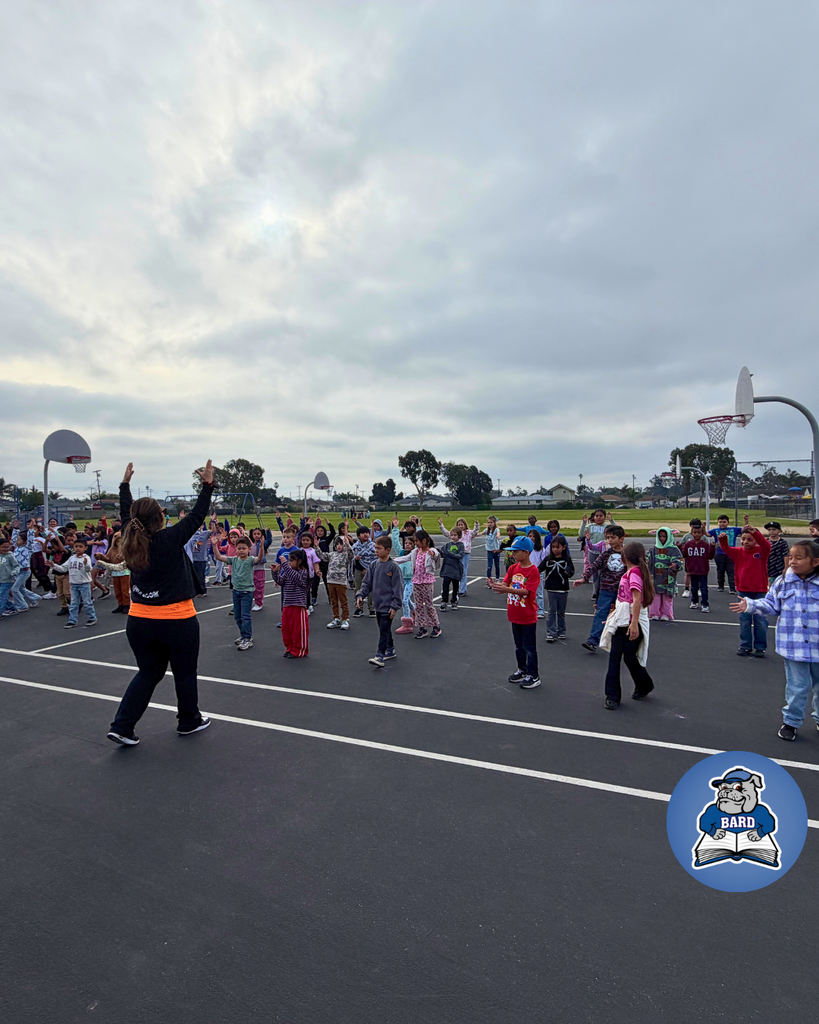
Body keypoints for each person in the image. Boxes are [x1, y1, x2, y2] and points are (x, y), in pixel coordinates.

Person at [106, 461, 213, 746]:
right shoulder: (169, 539)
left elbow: (127, 514)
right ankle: (189, 720)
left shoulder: (131, 538)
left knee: (149, 672)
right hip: (176, 620)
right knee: (185, 672)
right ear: (159, 519)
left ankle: (122, 726)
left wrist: (124, 486)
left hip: (139, 621)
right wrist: (207, 485)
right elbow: (197, 516)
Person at [730, 540, 819, 741]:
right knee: (797, 686)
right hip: (794, 646)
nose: (793, 562)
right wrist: (750, 605)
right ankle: (791, 722)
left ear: (815, 561)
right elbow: (770, 605)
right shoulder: (783, 582)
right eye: (791, 557)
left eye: (799, 558)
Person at [599, 541, 655, 710]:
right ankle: (642, 685)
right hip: (623, 620)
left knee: (621, 657)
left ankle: (614, 696)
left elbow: (637, 600)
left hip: (629, 622)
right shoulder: (632, 572)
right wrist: (613, 617)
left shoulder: (634, 574)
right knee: (625, 656)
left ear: (625, 557)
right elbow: (624, 599)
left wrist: (634, 623)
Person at [486, 536, 541, 689]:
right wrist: (495, 586)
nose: (513, 554)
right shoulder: (512, 568)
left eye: (516, 552)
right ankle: (522, 670)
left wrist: (507, 589)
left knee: (530, 647)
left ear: (526, 552)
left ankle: (533, 675)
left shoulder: (533, 571)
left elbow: (526, 592)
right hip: (514, 614)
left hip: (527, 616)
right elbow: (504, 584)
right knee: (519, 646)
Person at [719, 515, 772, 657]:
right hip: (743, 591)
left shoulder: (761, 551)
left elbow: (767, 545)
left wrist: (755, 532)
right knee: (744, 620)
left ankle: (760, 647)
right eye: (743, 539)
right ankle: (745, 646)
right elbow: (727, 549)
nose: (745, 542)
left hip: (759, 591)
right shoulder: (738, 552)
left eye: (750, 539)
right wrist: (723, 539)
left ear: (755, 541)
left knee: (760, 620)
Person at [573, 525, 627, 653]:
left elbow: (636, 568)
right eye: (608, 538)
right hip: (606, 589)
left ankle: (624, 642)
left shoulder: (627, 555)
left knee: (623, 617)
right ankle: (593, 641)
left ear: (621, 539)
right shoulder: (606, 554)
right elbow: (594, 566)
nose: (610, 540)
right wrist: (584, 578)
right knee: (600, 614)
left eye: (613, 537)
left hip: (623, 592)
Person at [356, 534, 404, 667]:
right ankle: (390, 649)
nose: (376, 551)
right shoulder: (373, 565)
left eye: (379, 548)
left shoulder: (393, 567)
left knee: (384, 629)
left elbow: (397, 588)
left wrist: (394, 606)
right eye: (375, 548)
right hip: (378, 605)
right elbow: (367, 584)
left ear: (388, 550)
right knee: (384, 629)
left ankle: (380, 655)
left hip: (388, 606)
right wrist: (360, 595)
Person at [212, 535, 265, 649]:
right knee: (237, 616)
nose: (241, 550)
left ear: (249, 549)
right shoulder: (234, 560)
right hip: (236, 591)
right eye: (239, 548)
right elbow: (219, 557)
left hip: (247, 592)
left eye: (243, 548)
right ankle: (243, 635)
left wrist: (261, 548)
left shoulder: (250, 560)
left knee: (245, 616)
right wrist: (214, 545)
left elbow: (259, 559)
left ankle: (247, 637)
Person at [394, 529, 442, 639]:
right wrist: (392, 560)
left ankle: (436, 626)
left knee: (429, 605)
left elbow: (436, 553)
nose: (416, 543)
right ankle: (422, 628)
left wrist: (433, 553)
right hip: (416, 582)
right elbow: (405, 558)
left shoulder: (430, 551)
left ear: (424, 541)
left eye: (417, 541)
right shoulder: (415, 552)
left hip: (427, 582)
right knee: (419, 606)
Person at [271, 548, 310, 658]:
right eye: (288, 560)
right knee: (286, 629)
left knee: (298, 630)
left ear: (299, 561)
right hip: (287, 604)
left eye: (291, 561)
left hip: (298, 606)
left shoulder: (303, 573)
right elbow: (281, 581)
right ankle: (290, 647)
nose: (289, 563)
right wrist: (274, 573)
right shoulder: (289, 572)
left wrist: (284, 565)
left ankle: (299, 649)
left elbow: (296, 578)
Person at [52, 536, 97, 629]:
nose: (78, 548)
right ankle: (73, 620)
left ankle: (92, 618)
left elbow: (89, 569)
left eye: (80, 546)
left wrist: (85, 564)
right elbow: (63, 568)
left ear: (85, 548)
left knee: (87, 602)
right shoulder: (71, 558)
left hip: (84, 584)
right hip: (74, 584)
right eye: (76, 546)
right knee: (73, 603)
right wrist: (53, 565)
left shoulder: (86, 558)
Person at [539, 535, 574, 641]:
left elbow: (572, 570)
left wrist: (568, 572)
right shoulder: (548, 559)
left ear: (563, 547)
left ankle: (561, 631)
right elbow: (539, 568)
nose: (555, 549)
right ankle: (551, 632)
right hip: (551, 589)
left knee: (561, 611)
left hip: (563, 589)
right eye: (553, 547)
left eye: (557, 547)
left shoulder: (566, 559)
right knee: (551, 611)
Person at [578, 510, 616, 600]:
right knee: (594, 572)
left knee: (604, 573)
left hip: (604, 553)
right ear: (594, 517)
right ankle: (595, 592)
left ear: (604, 517)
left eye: (601, 516)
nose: (598, 517)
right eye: (597, 516)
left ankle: (603, 591)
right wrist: (583, 523)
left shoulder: (607, 526)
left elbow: (617, 531)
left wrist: (612, 521)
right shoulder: (590, 526)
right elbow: (581, 534)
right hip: (593, 552)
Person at [438, 517, 480, 596]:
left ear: (465, 525)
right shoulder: (455, 534)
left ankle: (462, 590)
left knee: (463, 571)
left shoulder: (469, 533)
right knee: (456, 571)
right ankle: (460, 589)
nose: (460, 526)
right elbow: (447, 533)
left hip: (465, 554)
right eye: (459, 525)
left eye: (462, 524)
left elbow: (475, 531)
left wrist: (476, 525)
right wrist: (441, 525)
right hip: (455, 555)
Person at [679, 519, 714, 612]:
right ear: (692, 533)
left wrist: (713, 548)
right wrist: (679, 547)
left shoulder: (705, 544)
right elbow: (683, 555)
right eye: (695, 532)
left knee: (703, 588)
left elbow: (710, 556)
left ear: (702, 534)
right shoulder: (688, 544)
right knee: (693, 587)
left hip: (703, 570)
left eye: (699, 532)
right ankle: (694, 602)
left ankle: (705, 604)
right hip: (692, 569)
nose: (697, 534)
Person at [647, 528, 682, 621]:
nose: (662, 539)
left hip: (668, 577)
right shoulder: (653, 549)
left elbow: (679, 560)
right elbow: (647, 559)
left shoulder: (674, 549)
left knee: (667, 596)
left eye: (664, 536)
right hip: (656, 576)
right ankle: (654, 613)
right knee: (655, 595)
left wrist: (675, 564)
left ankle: (666, 614)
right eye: (660, 536)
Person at [321, 534, 354, 629]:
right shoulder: (332, 555)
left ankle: (345, 618)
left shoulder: (346, 555)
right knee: (333, 601)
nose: (339, 546)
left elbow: (351, 555)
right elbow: (322, 556)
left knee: (343, 601)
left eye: (341, 544)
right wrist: (316, 546)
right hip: (331, 581)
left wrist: (348, 545)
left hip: (341, 582)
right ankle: (336, 617)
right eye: (337, 544)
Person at [95, 532, 131, 614]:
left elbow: (129, 558)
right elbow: (108, 559)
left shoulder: (126, 549)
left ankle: (126, 604)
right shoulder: (112, 549)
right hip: (115, 572)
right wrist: (101, 557)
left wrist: (123, 557)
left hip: (124, 572)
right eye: (117, 541)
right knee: (117, 590)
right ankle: (120, 604)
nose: (119, 543)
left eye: (121, 541)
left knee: (124, 590)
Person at [708, 514, 742, 593]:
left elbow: (744, 530)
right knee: (720, 570)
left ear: (728, 522)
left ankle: (732, 587)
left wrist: (746, 520)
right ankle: (720, 586)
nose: (722, 523)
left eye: (724, 522)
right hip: (719, 553)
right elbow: (707, 534)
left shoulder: (733, 530)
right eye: (720, 522)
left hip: (730, 553)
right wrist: (703, 527)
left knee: (731, 571)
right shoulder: (716, 531)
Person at [392, 523, 416, 634]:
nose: (407, 545)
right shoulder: (401, 553)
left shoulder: (415, 554)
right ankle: (415, 611)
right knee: (407, 599)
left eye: (410, 544)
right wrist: (395, 528)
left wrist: (419, 526)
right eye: (406, 543)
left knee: (404, 600)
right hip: (402, 580)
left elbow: (418, 540)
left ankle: (407, 624)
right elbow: (395, 542)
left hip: (411, 580)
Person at [352, 525, 377, 617]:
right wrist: (356, 558)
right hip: (358, 569)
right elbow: (351, 558)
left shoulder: (373, 546)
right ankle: (359, 608)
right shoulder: (355, 546)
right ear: (358, 536)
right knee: (358, 589)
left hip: (370, 570)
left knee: (371, 589)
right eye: (363, 533)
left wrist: (367, 569)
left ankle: (372, 608)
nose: (365, 535)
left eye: (367, 533)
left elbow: (375, 558)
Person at [438, 527, 465, 611]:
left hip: (456, 569)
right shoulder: (447, 545)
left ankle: (454, 601)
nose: (453, 537)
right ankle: (444, 601)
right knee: (445, 584)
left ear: (459, 536)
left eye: (455, 535)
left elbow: (460, 556)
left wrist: (449, 554)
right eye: (452, 535)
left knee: (455, 586)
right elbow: (442, 553)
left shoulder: (461, 545)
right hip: (447, 568)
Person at [527, 529, 548, 620]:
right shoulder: (526, 549)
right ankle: (528, 609)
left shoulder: (540, 550)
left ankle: (540, 610)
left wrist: (538, 570)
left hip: (537, 573)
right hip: (527, 573)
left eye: (533, 536)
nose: (531, 538)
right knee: (527, 592)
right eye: (530, 536)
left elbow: (543, 562)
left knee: (539, 593)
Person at [185, 522, 211, 597]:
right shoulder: (191, 535)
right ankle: (196, 590)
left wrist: (213, 521)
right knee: (194, 576)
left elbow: (213, 530)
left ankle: (202, 591)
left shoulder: (204, 534)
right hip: (193, 558)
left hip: (201, 559)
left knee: (200, 576)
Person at [0, 537, 21, 616]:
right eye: (3, 547)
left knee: (2, 595)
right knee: (3, 595)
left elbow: (17, 566)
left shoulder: (10, 556)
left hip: (7, 579)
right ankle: (11, 608)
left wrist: (14, 572)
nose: (5, 549)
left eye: (7, 547)